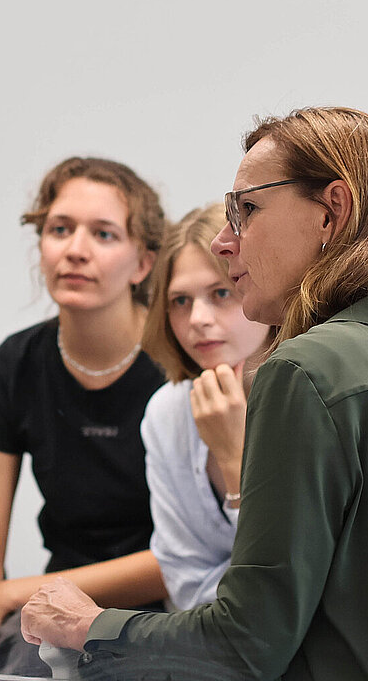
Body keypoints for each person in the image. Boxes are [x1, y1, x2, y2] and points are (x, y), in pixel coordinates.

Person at [20, 107, 368, 680]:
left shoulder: (307, 370)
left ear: (332, 211)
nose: (225, 242)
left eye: (246, 209)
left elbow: (244, 645)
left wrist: (88, 625)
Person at [0, 157, 168, 674]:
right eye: (59, 229)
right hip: (52, 612)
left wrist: (6, 595)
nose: (75, 250)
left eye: (104, 234)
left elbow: (178, 562)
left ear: (142, 264)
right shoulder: (16, 363)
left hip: (162, 612)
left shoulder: (176, 366)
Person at [140, 203, 271, 610]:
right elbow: (184, 585)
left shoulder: (312, 395)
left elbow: (292, 578)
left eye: (221, 293)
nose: (197, 318)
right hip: (210, 651)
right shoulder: (168, 412)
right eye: (180, 301)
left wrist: (234, 458)